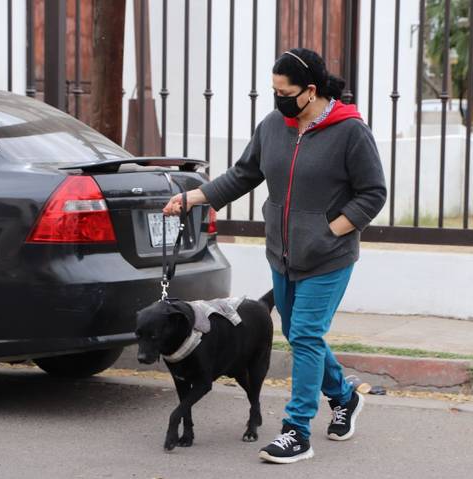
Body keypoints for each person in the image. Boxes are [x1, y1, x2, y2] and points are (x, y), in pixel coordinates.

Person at [163, 47, 386, 464]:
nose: (277, 98)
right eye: (274, 90)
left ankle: (296, 430)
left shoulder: (350, 131)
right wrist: (192, 198)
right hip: (282, 254)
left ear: (310, 91)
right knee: (304, 335)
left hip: (329, 256)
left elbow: (373, 193)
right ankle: (343, 397)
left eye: (283, 91)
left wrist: (328, 231)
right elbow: (244, 174)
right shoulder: (273, 127)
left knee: (303, 334)